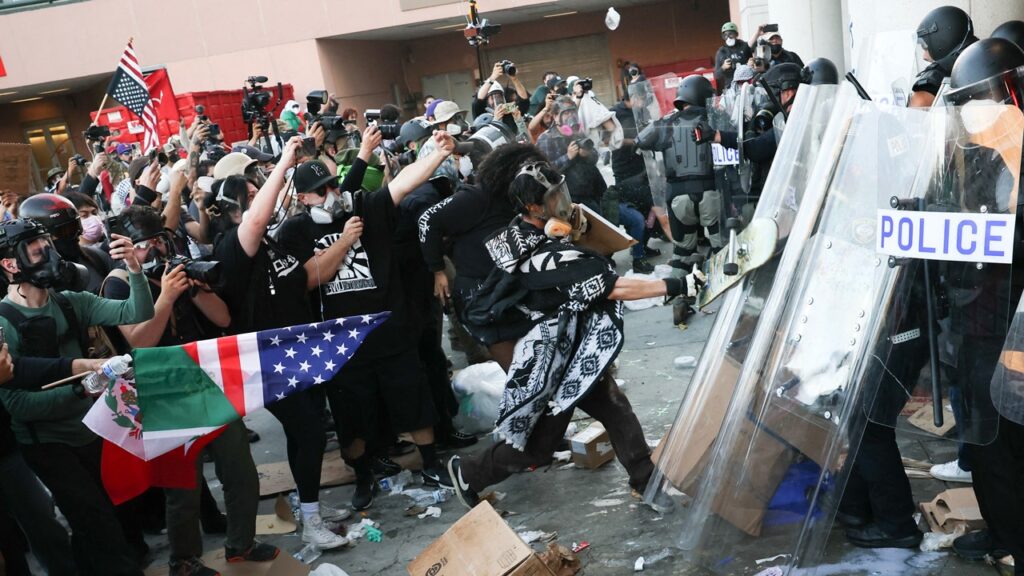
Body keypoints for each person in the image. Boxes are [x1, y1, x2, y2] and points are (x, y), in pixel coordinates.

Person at [446, 161, 703, 510]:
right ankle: (469, 473)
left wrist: (563, 234)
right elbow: (614, 288)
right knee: (536, 447)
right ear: (534, 208)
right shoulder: (539, 257)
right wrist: (676, 284)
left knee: (614, 406)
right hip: (549, 361)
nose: (563, 202)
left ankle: (646, 481)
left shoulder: (536, 233)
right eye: (554, 198)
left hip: (571, 349)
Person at [277, 130, 458, 512]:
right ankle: (362, 476)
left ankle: (430, 463)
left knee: (413, 400)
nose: (331, 195)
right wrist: (343, 242)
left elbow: (404, 184)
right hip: (343, 343)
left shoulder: (364, 209)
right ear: (303, 198)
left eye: (332, 185)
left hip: (389, 331)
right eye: (320, 191)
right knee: (352, 418)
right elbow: (308, 278)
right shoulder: (296, 232)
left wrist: (438, 155)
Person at [102, 205, 280, 574]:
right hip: (160, 390)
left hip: (202, 378)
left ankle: (241, 543)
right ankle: (183, 560)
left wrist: (196, 290)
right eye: (142, 245)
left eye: (157, 242)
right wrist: (166, 297)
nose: (152, 251)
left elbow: (223, 318)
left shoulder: (174, 270)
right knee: (182, 485)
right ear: (123, 248)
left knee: (240, 469)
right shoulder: (117, 283)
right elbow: (141, 343)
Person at [0, 218, 154, 575]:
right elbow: (18, 406)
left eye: (48, 245)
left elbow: (137, 312)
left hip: (91, 431)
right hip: (49, 444)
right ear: (10, 264)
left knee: (105, 521)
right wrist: (83, 387)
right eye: (37, 251)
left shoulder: (69, 302)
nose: (50, 255)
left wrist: (133, 267)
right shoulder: (4, 323)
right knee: (100, 526)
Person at [943, 37, 1024, 571]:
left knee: (999, 440)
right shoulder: (984, 146)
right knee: (994, 440)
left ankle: (1012, 539)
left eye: (981, 103)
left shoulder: (1008, 142)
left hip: (1000, 317)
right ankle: (1004, 533)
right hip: (984, 311)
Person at [637, 75, 722, 267]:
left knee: (683, 253)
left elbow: (641, 140)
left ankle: (681, 291)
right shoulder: (715, 119)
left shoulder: (666, 123)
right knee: (722, 247)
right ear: (704, 96)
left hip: (678, 197)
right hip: (711, 192)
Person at [19, 193, 114, 295]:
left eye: (75, 227)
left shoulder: (96, 256)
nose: (73, 235)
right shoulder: (34, 284)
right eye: (64, 231)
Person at [910, 5, 978, 108]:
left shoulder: (939, 74)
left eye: (925, 47)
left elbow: (917, 106)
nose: (924, 56)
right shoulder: (983, 60)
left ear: (942, 39)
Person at [715, 22, 754, 93]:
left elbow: (755, 64)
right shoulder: (721, 51)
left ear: (736, 34)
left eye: (731, 34)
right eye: (725, 35)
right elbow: (717, 75)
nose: (728, 37)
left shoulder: (744, 46)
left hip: (747, 84)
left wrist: (751, 64)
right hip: (731, 88)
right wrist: (723, 67)